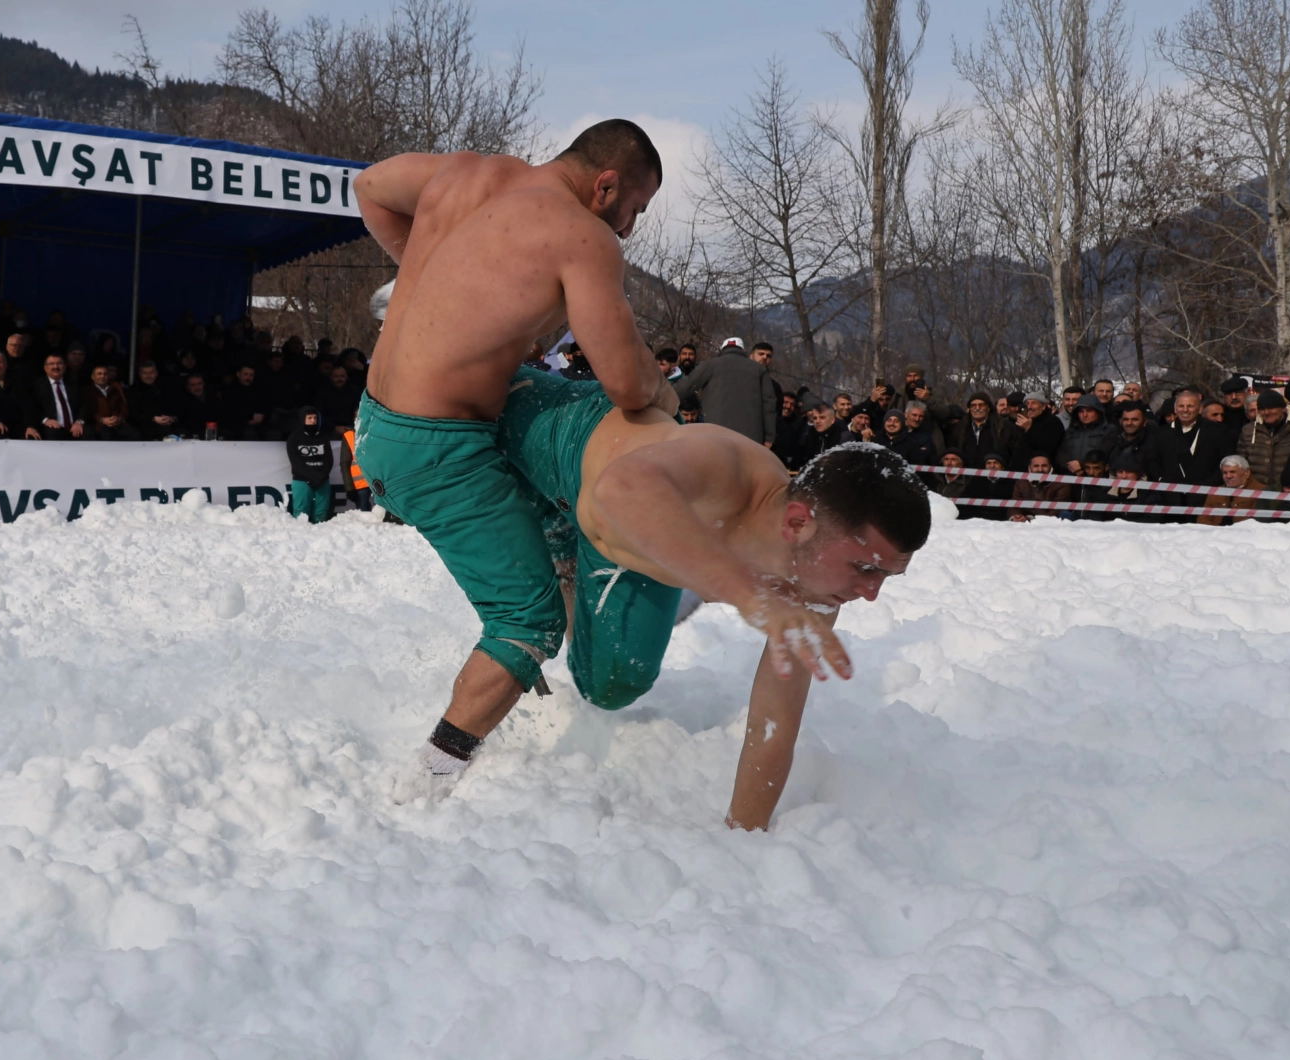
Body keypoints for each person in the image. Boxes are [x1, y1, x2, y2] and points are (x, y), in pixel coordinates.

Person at [408, 364, 929, 830]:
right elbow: (622, 491)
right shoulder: (724, 468)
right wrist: (745, 591)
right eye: (865, 568)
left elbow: (775, 721)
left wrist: (743, 838)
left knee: (612, 686)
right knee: (527, 623)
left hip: (625, 539)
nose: (870, 593)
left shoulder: (819, 590)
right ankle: (427, 780)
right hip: (559, 437)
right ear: (799, 522)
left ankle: (572, 557)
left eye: (886, 577)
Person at [353, 118, 676, 764]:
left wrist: (439, 282)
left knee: (546, 467)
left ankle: (551, 570)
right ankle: (431, 777)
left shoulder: (468, 172)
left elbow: (369, 187)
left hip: (377, 415)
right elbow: (626, 385)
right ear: (606, 185)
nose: (631, 229)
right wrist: (669, 399)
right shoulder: (582, 237)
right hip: (438, 445)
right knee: (526, 619)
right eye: (635, 208)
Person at [671, 336, 779, 447]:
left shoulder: (709, 365)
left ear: (723, 350)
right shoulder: (759, 369)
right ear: (742, 350)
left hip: (716, 435)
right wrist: (769, 437)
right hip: (751, 438)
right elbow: (769, 403)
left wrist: (662, 395)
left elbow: (685, 387)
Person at [1236, 389, 1290, 489]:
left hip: (1287, 491)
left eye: (1271, 408)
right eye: (1262, 409)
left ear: (1283, 409)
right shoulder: (1248, 430)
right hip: (1254, 491)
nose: (1266, 412)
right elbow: (1241, 461)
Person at [287, 406, 334, 523]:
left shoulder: (323, 437)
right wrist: (311, 477)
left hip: (322, 481)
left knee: (321, 515)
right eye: (309, 418)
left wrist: (321, 477)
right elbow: (296, 463)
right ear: (303, 419)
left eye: (315, 418)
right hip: (302, 481)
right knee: (301, 515)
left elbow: (329, 460)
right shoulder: (294, 439)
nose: (313, 421)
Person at [25, 353, 84, 440]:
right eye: (51, 364)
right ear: (45, 368)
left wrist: (79, 421)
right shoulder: (37, 386)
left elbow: (83, 405)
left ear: (64, 367)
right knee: (52, 433)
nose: (55, 367)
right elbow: (31, 408)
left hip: (74, 426)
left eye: (59, 363)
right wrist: (45, 420)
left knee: (88, 433)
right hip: (51, 427)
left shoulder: (73, 384)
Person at [1056, 396, 1117, 475]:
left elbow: (1105, 452)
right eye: (1081, 411)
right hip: (1071, 476)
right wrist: (1070, 466)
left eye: (1089, 411)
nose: (1085, 415)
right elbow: (1061, 453)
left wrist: (1082, 465)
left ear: (1098, 412)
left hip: (1098, 477)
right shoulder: (1070, 431)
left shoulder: (1108, 430)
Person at [1201, 455, 1266, 525]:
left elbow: (1258, 523)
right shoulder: (1215, 493)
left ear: (1247, 472)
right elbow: (1203, 520)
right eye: (1225, 473)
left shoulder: (1262, 492)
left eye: (1233, 472)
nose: (1228, 476)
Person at [81, 362, 136, 440]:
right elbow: (87, 411)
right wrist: (102, 420)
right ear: (93, 377)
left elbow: (123, 408)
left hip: (117, 424)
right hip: (97, 425)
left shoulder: (115, 389)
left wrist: (119, 418)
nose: (102, 376)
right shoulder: (87, 391)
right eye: (99, 374)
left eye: (105, 374)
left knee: (133, 433)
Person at [1010, 455, 1073, 522]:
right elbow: (1015, 505)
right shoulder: (1021, 484)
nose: (1040, 469)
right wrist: (1017, 516)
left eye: (1044, 466)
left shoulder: (1061, 484)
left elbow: (1057, 511)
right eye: (1036, 466)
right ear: (1029, 468)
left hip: (1052, 524)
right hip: (1025, 523)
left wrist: (1032, 520)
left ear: (1050, 467)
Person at [129, 360, 179, 440]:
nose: (148, 376)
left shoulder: (166, 388)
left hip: (169, 426)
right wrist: (153, 419)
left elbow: (176, 406)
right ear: (140, 374)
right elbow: (133, 413)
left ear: (156, 373)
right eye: (145, 373)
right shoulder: (133, 391)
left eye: (151, 372)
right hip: (144, 429)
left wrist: (172, 418)